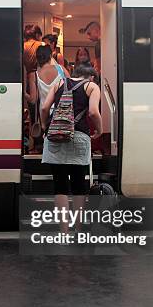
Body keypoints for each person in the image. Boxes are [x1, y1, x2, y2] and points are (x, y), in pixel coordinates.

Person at [40, 59, 102, 230]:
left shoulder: (59, 82)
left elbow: (45, 108)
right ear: (91, 76)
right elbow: (93, 112)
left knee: (60, 185)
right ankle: (78, 228)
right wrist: (99, 130)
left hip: (55, 137)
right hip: (79, 136)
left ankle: (64, 231)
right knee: (78, 184)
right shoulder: (91, 86)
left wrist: (45, 126)